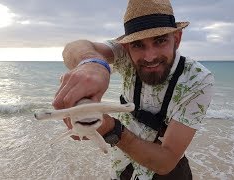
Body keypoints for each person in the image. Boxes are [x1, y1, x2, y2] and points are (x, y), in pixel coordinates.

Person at [52, 0, 214, 179]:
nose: (150, 56)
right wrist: (92, 63)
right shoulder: (125, 54)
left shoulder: (198, 79)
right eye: (138, 44)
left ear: (177, 39)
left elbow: (166, 161)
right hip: (123, 166)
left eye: (160, 41)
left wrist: (110, 129)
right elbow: (73, 48)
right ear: (126, 46)